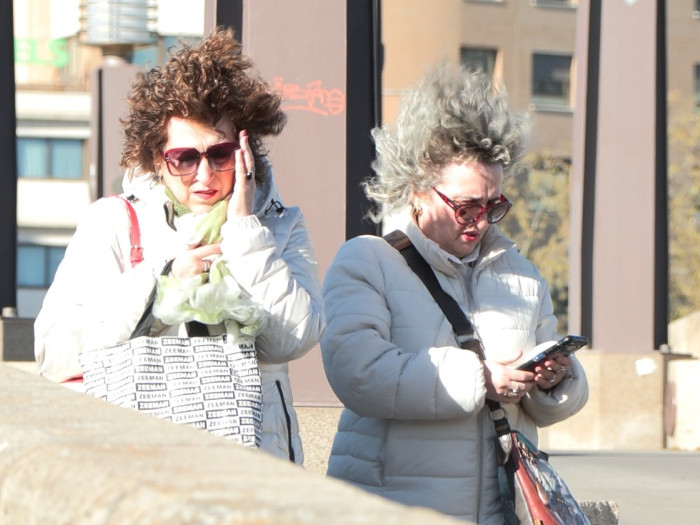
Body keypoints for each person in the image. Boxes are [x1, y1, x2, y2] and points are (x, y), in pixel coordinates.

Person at [34, 29, 323, 463]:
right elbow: (53, 352)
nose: (204, 175)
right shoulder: (114, 222)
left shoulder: (278, 226)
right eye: (184, 158)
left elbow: (290, 341)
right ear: (156, 159)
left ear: (245, 152)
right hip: (142, 463)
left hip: (254, 469)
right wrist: (160, 286)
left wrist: (245, 231)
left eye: (220, 154)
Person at [321, 64, 589, 523]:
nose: (481, 220)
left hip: (500, 508)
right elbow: (358, 373)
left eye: (494, 205)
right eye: (466, 206)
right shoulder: (367, 261)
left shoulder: (523, 276)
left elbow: (543, 410)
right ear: (418, 191)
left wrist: (554, 378)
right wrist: (482, 379)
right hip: (394, 505)